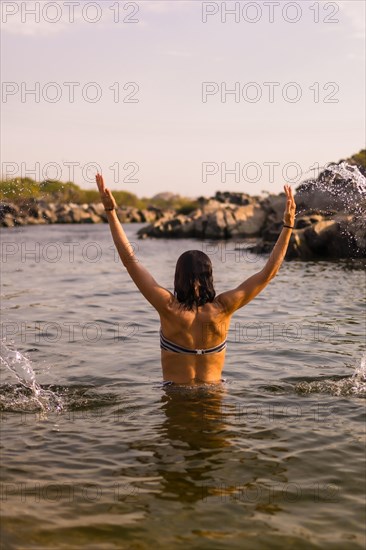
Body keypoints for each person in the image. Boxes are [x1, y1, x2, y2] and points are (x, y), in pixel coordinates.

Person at [96, 174, 296, 385]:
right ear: (209, 277)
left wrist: (110, 212)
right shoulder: (223, 308)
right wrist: (288, 227)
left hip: (177, 399)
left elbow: (130, 261)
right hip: (214, 397)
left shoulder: (168, 308)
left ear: (178, 277)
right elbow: (268, 273)